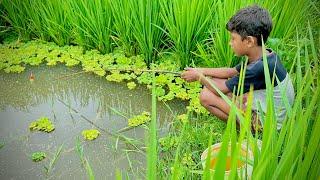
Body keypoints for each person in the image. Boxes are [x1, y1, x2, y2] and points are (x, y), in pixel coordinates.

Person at [181, 5, 295, 132]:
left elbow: (220, 89)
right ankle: (244, 119)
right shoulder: (264, 55)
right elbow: (229, 72)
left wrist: (198, 77)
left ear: (249, 41)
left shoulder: (257, 69)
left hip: (269, 125)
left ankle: (246, 130)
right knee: (215, 80)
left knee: (206, 96)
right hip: (268, 109)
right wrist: (200, 70)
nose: (230, 43)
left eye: (233, 39)